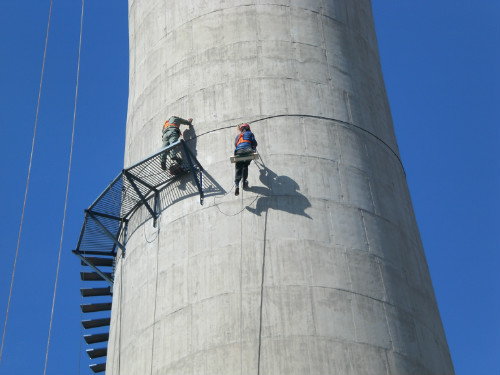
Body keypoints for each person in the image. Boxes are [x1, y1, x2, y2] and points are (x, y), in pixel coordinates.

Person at [234, 123, 257, 196]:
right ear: (248, 129)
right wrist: (253, 148)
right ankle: (244, 181)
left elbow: (235, 144)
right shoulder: (250, 133)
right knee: (245, 166)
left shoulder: (238, 136)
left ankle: (237, 183)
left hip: (239, 152)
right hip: (248, 151)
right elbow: (254, 143)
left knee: (238, 167)